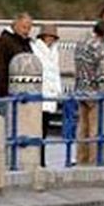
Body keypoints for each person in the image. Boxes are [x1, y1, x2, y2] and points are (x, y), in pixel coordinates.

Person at [74, 20, 104, 165]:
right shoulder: (100, 46)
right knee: (95, 128)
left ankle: (80, 158)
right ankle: (94, 159)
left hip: (80, 89)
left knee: (82, 127)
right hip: (94, 91)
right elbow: (102, 70)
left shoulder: (81, 42)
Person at [31, 24, 62, 165]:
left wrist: (57, 91)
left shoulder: (54, 51)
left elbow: (55, 72)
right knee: (38, 129)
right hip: (40, 94)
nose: (50, 39)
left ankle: (42, 159)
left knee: (44, 129)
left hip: (50, 95)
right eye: (48, 36)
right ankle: (39, 160)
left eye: (52, 37)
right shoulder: (35, 49)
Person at [0, 12, 34, 98]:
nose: (27, 31)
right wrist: (3, 91)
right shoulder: (5, 41)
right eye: (24, 27)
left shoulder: (26, 43)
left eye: (29, 28)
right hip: (8, 92)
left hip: (24, 91)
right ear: (15, 25)